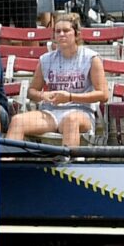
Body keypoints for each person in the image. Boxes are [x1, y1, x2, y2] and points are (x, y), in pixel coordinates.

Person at [6, 11, 107, 147]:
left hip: (81, 111)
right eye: (58, 31)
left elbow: (103, 95)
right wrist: (43, 95)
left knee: (71, 120)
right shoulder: (46, 59)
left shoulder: (91, 58)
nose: (61, 34)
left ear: (77, 33)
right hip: (50, 112)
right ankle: (8, 164)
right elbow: (32, 91)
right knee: (18, 121)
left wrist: (70, 97)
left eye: (66, 30)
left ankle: (68, 166)